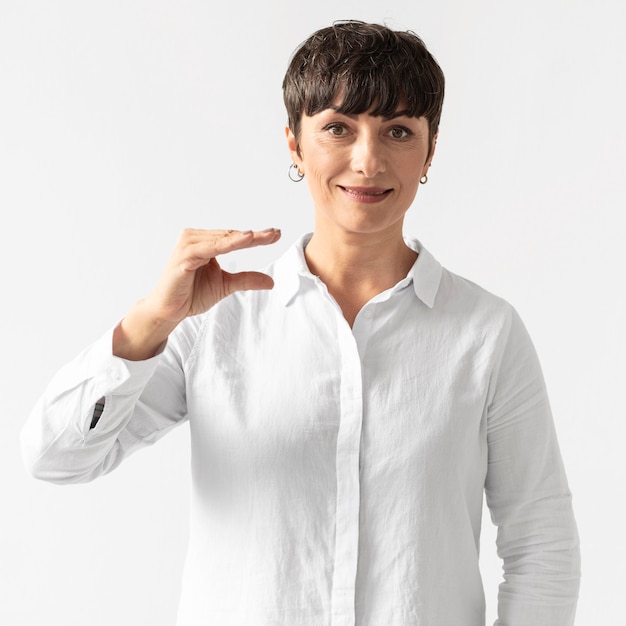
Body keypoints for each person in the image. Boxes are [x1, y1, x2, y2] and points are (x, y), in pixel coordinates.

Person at [21, 20, 580, 626]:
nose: (367, 160)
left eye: (397, 131)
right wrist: (151, 321)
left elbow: (541, 542)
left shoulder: (486, 332)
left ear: (430, 149)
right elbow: (55, 457)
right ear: (294, 144)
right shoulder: (214, 319)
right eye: (338, 128)